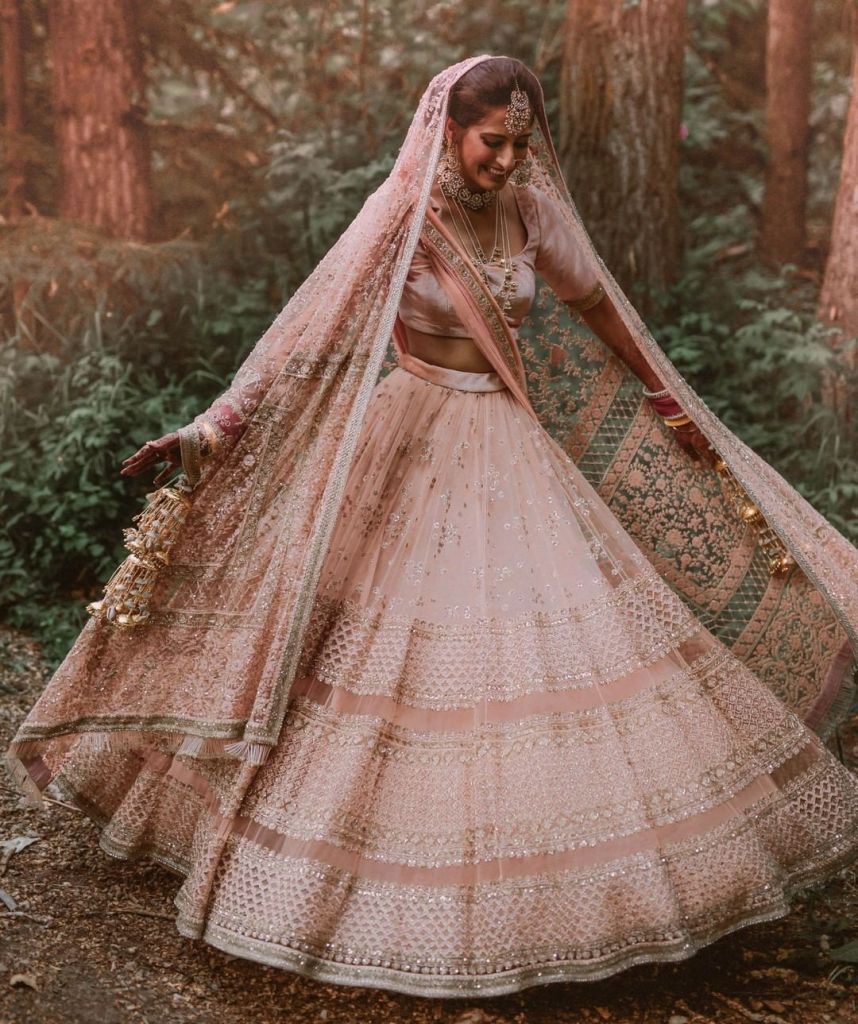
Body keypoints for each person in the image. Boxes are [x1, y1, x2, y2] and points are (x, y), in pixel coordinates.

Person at [6, 55, 858, 999]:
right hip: (409, 436)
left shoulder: (533, 213)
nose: (509, 160)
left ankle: (562, 897)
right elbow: (311, 335)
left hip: (510, 447)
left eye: (522, 144)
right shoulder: (403, 217)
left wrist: (665, 399)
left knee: (538, 645)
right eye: (494, 142)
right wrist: (217, 425)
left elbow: (595, 304)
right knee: (372, 648)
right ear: (449, 130)